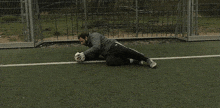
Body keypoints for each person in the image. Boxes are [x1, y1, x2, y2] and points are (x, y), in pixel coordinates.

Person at [75, 32, 157, 68]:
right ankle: (132, 61)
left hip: (113, 46)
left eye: (82, 41)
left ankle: (147, 59)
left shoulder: (94, 36)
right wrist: (84, 57)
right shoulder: (89, 43)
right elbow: (95, 54)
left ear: (86, 37)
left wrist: (83, 53)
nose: (81, 44)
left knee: (127, 52)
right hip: (108, 54)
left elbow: (96, 47)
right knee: (110, 62)